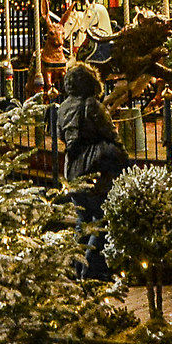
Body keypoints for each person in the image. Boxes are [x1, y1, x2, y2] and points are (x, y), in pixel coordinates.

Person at [52, 64, 128, 281]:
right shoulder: (93, 105)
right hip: (95, 169)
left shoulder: (63, 107)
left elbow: (61, 135)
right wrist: (122, 157)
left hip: (72, 169)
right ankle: (91, 270)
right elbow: (110, 133)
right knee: (102, 220)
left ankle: (76, 268)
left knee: (82, 220)